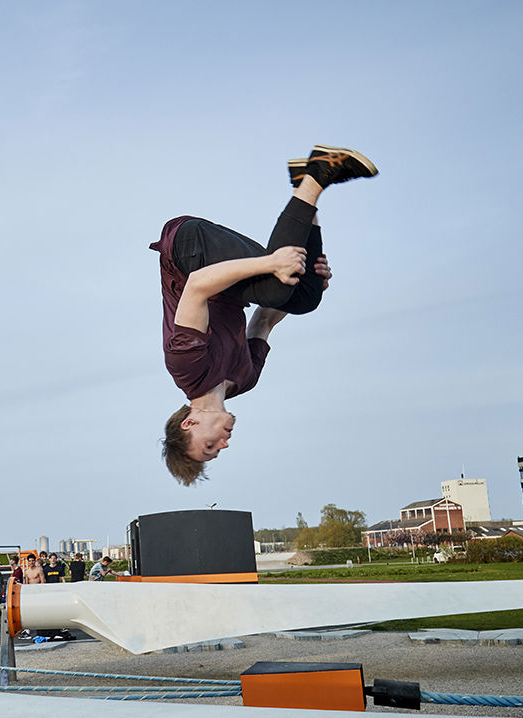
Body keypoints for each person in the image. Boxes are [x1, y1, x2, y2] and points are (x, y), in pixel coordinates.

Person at [153, 144, 378, 484]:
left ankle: (318, 173)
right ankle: (305, 187)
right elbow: (265, 319)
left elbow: (197, 286)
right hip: (225, 279)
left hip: (186, 249)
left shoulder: (187, 368)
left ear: (190, 423)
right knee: (303, 299)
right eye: (218, 450)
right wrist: (308, 282)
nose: (224, 444)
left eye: (210, 445)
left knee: (277, 285)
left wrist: (272, 264)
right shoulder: (245, 379)